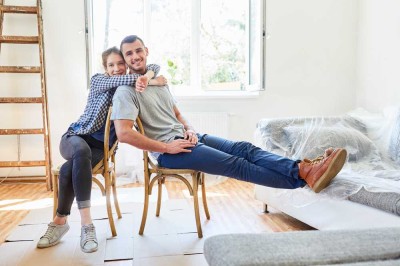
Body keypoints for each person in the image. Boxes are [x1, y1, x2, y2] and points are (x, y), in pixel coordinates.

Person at [111, 35, 347, 196]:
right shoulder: (125, 91)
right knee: (237, 165)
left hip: (189, 138)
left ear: (146, 51)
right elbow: (124, 134)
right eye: (129, 53)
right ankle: (303, 175)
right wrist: (166, 149)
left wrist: (190, 129)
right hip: (170, 152)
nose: (135, 57)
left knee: (245, 149)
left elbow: (177, 113)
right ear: (124, 58)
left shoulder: (156, 81)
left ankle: (303, 170)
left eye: (138, 50)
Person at [36, 47, 167, 253]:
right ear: (105, 69)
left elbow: (153, 67)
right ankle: (87, 225)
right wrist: (152, 79)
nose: (116, 69)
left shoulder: (128, 91)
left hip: (98, 148)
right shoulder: (99, 80)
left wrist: (149, 77)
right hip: (75, 137)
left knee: (68, 169)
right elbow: (143, 75)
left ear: (126, 64)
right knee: (80, 153)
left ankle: (59, 222)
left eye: (120, 64)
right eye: (111, 65)